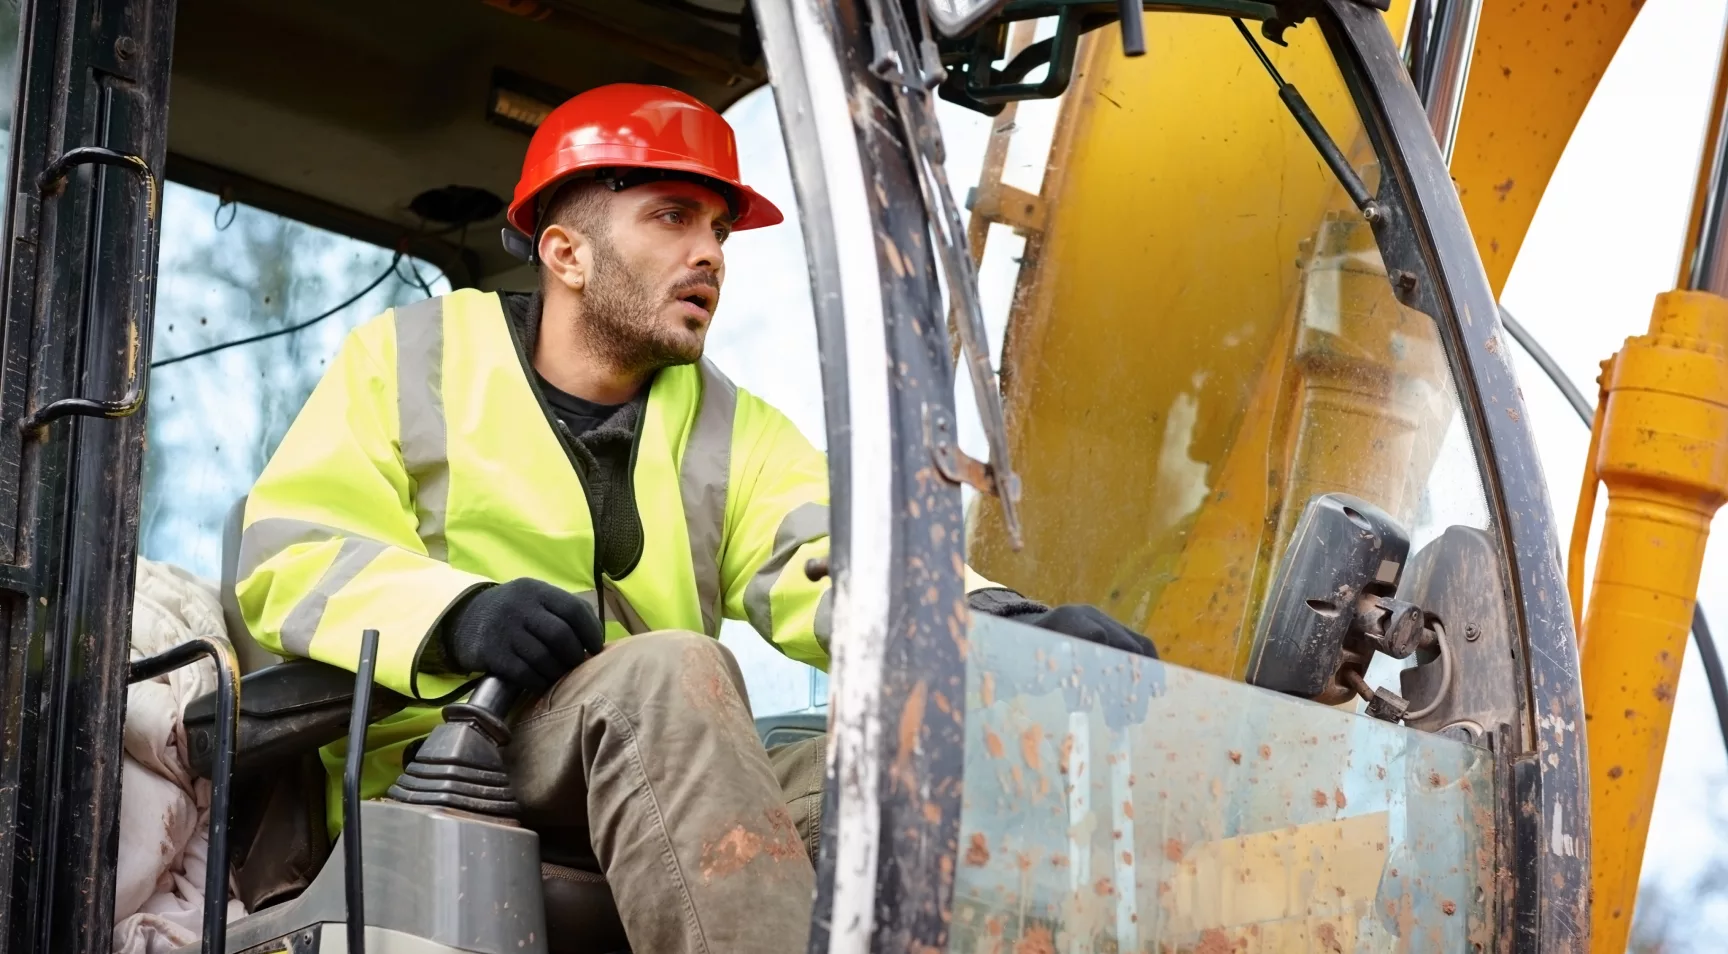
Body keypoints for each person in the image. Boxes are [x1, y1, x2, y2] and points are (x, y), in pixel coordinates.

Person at [235, 83, 1156, 954]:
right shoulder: (412, 358)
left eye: (718, 229)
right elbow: (293, 551)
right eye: (672, 217)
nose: (709, 253)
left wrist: (1002, 631)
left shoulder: (731, 425)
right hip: (448, 758)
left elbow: (831, 558)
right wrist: (462, 614)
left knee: (943, 756)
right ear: (566, 253)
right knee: (675, 670)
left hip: (657, 773)